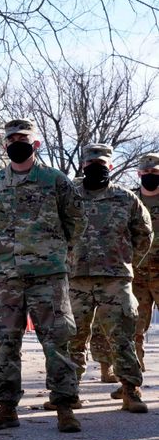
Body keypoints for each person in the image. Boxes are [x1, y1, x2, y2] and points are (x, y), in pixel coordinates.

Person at [0, 118, 87, 433]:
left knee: (56, 340)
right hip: (6, 277)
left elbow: (76, 219)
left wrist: (56, 250)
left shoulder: (55, 180)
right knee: (5, 342)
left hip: (47, 275)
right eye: (11, 139)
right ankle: (7, 408)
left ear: (35, 143)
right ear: (5, 145)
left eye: (23, 138)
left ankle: (65, 407)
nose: (16, 143)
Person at [59, 144, 150, 413]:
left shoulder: (126, 199)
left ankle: (130, 391)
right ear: (83, 166)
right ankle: (68, 393)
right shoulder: (68, 196)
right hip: (76, 280)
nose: (95, 168)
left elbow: (143, 235)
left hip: (115, 280)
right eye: (90, 164)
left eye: (101, 164)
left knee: (122, 337)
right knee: (72, 338)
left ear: (110, 166)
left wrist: (125, 261)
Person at [133, 152, 159, 376]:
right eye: (146, 172)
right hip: (136, 274)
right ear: (139, 173)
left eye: (155, 172)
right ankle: (132, 378)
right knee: (133, 327)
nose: (150, 175)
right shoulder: (128, 200)